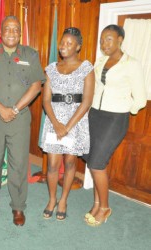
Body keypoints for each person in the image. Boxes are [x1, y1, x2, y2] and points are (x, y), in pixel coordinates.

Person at [0, 16, 45, 226]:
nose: (11, 32)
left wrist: (13, 109)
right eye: (7, 29)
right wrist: (1, 108)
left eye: (15, 29)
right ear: (1, 32)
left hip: (20, 119)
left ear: (20, 33)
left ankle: (18, 206)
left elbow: (36, 86)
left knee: (19, 164)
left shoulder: (30, 55)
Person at [83, 25, 147, 226]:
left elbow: (141, 99)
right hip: (95, 115)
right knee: (93, 161)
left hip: (114, 119)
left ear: (120, 40)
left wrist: (122, 106)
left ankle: (105, 207)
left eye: (109, 39)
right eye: (102, 40)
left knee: (97, 163)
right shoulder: (100, 61)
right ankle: (95, 203)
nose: (104, 44)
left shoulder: (131, 64)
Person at [40, 27, 95, 221]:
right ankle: (52, 198)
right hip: (54, 121)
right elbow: (46, 99)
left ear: (78, 46)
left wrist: (68, 127)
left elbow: (87, 100)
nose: (64, 46)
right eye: (62, 42)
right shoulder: (51, 68)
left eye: (69, 43)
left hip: (76, 121)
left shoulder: (86, 68)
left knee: (70, 162)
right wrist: (56, 124)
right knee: (53, 164)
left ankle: (64, 199)